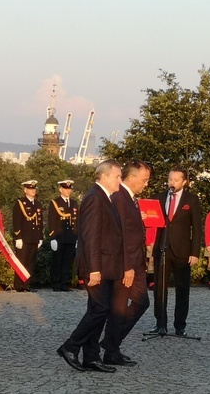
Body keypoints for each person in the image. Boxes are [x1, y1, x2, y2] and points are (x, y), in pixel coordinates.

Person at [57, 159, 123, 373]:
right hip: (97, 265)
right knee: (100, 309)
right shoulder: (95, 197)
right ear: (104, 176)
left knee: (99, 309)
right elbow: (91, 235)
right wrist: (94, 268)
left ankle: (92, 356)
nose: (120, 180)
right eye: (117, 176)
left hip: (106, 264)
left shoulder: (106, 197)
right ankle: (70, 346)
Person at [101, 160, 151, 366]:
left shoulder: (129, 198)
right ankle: (110, 348)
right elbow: (121, 236)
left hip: (135, 262)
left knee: (140, 303)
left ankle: (111, 343)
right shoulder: (120, 197)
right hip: (125, 264)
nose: (146, 184)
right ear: (131, 178)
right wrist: (127, 266)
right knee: (119, 307)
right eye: (145, 180)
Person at [150, 167, 202, 336]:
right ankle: (161, 323)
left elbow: (197, 228)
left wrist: (195, 253)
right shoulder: (159, 198)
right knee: (159, 288)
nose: (172, 182)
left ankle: (180, 325)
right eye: (170, 179)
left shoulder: (192, 200)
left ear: (184, 182)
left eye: (176, 180)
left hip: (183, 251)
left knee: (182, 289)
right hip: (162, 249)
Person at [12, 180, 44, 292]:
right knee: (22, 262)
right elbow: (16, 221)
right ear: (25, 190)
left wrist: (40, 237)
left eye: (34, 189)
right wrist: (18, 237)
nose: (33, 190)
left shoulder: (38, 204)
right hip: (24, 237)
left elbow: (40, 222)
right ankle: (19, 285)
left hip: (34, 237)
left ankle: (26, 284)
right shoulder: (20, 203)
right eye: (30, 189)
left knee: (31, 262)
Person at [47, 180, 78, 292]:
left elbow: (76, 221)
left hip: (71, 237)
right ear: (60, 189)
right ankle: (56, 283)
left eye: (69, 189)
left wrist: (77, 237)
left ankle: (64, 283)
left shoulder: (74, 203)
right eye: (65, 188)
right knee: (57, 261)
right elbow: (51, 220)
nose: (68, 191)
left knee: (67, 262)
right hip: (59, 237)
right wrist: (53, 237)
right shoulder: (55, 202)